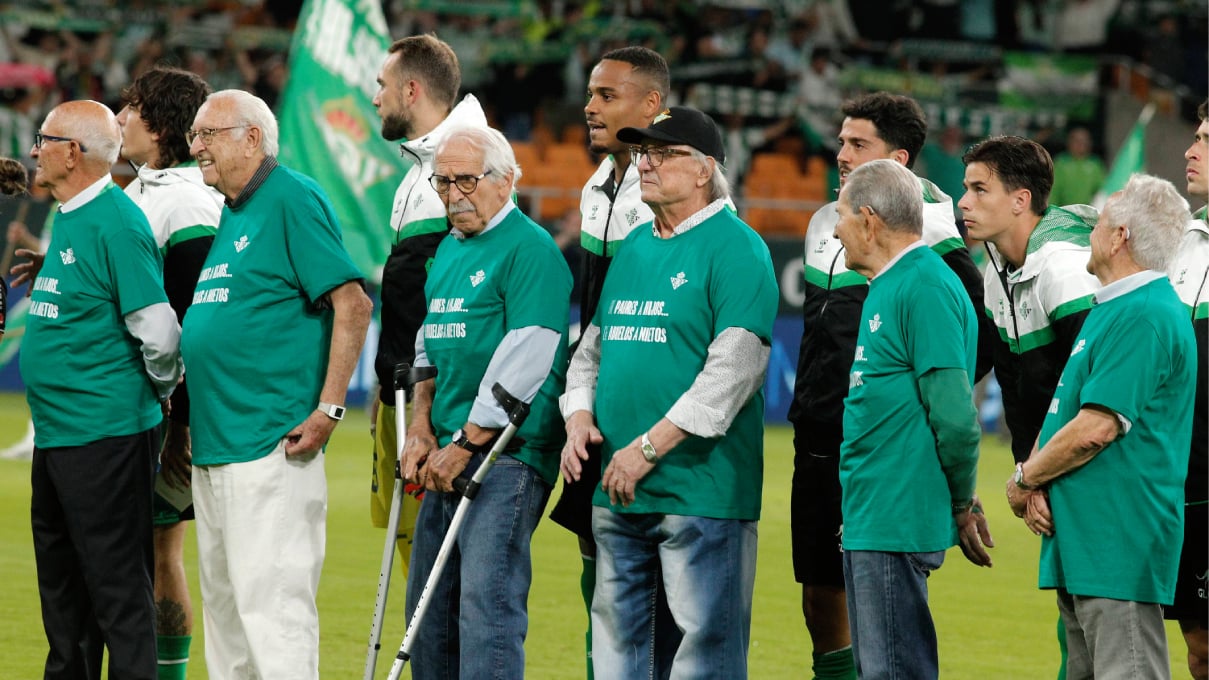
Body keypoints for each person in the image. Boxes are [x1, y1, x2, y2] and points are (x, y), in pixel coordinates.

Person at [561, 106, 779, 678]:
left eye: (661, 153)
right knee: (616, 655)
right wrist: (579, 417)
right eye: (642, 153)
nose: (644, 164)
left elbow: (732, 374)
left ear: (704, 168)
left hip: (699, 494)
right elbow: (592, 351)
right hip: (619, 488)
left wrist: (648, 449)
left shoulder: (739, 248)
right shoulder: (633, 246)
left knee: (703, 657)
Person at [786, 91, 987, 680]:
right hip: (834, 450)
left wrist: (907, 418)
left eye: (858, 144)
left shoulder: (930, 245)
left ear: (898, 160)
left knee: (890, 637)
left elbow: (960, 355)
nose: (841, 154)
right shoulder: (833, 224)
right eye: (841, 141)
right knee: (824, 602)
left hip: (885, 461)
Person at [179, 89, 373, 679]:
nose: (196, 147)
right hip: (216, 447)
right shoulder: (233, 212)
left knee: (275, 621)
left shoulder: (290, 196)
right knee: (229, 622)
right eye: (194, 136)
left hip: (269, 445)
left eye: (208, 134)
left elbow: (353, 303)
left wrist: (330, 409)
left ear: (253, 137)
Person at [1005, 173, 1195, 679]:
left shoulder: (1145, 313)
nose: (1089, 225)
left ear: (1120, 237)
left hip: (1119, 542)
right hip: (1089, 540)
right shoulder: (1113, 307)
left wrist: (1026, 479)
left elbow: (1095, 428)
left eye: (1101, 217)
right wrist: (1040, 478)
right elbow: (1065, 414)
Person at [399, 125, 571, 679]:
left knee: (485, 607)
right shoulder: (448, 250)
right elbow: (428, 347)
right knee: (426, 613)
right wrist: (421, 429)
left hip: (507, 453)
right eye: (443, 182)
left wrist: (464, 442)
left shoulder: (531, 251)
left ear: (506, 181)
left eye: (467, 181)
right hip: (448, 446)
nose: (453, 194)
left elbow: (527, 358)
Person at [20, 99, 183, 680]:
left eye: (44, 139)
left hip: (105, 436)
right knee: (62, 588)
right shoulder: (74, 214)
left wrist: (158, 394)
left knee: (117, 592)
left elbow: (160, 332)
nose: (34, 149)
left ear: (73, 152)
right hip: (63, 434)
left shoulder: (117, 221)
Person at [834, 158, 990, 677]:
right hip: (874, 513)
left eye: (841, 215)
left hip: (893, 517)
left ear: (869, 220)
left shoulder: (923, 285)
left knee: (893, 672)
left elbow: (954, 415)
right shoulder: (894, 284)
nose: (834, 231)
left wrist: (963, 499)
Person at [546, 45, 669, 675]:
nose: (589, 107)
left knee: (659, 586)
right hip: (597, 403)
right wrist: (579, 404)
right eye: (591, 94)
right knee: (596, 565)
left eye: (606, 96)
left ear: (651, 105)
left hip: (649, 411)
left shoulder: (672, 187)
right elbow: (594, 320)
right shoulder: (599, 182)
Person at [116, 65, 221, 680]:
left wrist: (181, 425)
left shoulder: (184, 201)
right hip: (142, 410)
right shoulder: (148, 191)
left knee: (155, 555)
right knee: (155, 554)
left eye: (131, 107)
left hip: (160, 417)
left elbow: (194, 320)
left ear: (157, 124)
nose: (121, 118)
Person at [370, 34, 489, 572]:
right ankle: (428, 661)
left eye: (382, 86)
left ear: (412, 90)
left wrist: (427, 400)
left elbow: (469, 296)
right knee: (411, 552)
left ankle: (444, 660)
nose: (375, 98)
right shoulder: (418, 173)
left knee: (437, 563)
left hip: (435, 405)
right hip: (402, 394)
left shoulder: (467, 169)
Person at [1168, 100, 1208, 680]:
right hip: (1180, 485)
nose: (1190, 148)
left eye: (1207, 139)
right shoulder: (1183, 243)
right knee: (1199, 651)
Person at [1049, 127, 1106, 207]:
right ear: (1069, 142)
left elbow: (1101, 191)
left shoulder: (1095, 164)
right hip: (1065, 211)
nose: (1081, 144)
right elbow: (1053, 191)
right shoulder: (1061, 162)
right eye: (1077, 141)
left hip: (1089, 213)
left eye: (1085, 141)